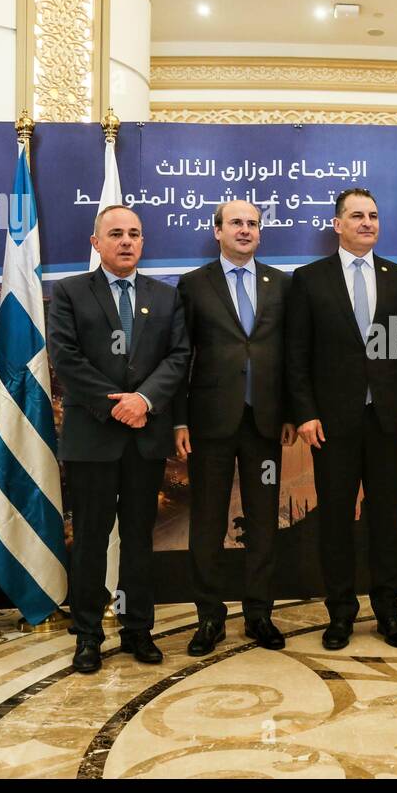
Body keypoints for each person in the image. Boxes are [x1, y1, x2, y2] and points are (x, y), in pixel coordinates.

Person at [285, 188, 397, 651]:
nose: (367, 222)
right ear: (337, 224)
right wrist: (304, 413)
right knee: (335, 522)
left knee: (387, 519)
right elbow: (296, 356)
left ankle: (388, 611)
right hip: (331, 423)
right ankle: (341, 613)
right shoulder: (309, 280)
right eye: (356, 216)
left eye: (373, 215)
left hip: (388, 420)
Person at [48, 204, 190, 673]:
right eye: (116, 234)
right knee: (90, 539)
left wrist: (143, 401)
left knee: (138, 539)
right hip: (94, 438)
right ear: (96, 243)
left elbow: (178, 357)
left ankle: (137, 628)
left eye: (134, 234)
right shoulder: (70, 292)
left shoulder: (164, 298)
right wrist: (115, 405)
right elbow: (66, 359)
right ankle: (87, 634)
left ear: (143, 242)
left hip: (145, 438)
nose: (126, 241)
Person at [173, 200, 296, 656]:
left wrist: (288, 412)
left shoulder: (280, 285)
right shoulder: (193, 285)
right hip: (209, 424)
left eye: (253, 224)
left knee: (264, 520)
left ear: (260, 234)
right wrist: (179, 419)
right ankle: (209, 616)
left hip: (264, 424)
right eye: (236, 223)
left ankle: (259, 613)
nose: (245, 230)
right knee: (206, 520)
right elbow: (179, 356)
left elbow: (290, 355)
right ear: (217, 231)